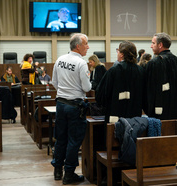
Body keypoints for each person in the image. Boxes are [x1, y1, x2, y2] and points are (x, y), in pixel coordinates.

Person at [51, 33, 91, 184]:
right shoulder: (81, 63)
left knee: (60, 138)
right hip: (75, 106)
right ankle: (69, 174)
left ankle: (57, 171)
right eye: (86, 44)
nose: (88, 47)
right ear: (78, 46)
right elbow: (87, 87)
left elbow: (55, 82)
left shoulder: (60, 60)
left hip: (60, 104)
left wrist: (65, 91)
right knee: (74, 141)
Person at [96, 40, 144, 124]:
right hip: (135, 117)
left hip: (115, 117)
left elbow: (101, 94)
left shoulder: (114, 70)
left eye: (118, 51)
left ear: (121, 54)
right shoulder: (141, 71)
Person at [145, 32, 177, 120]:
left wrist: (149, 110)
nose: (151, 46)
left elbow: (149, 89)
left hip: (160, 113)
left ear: (160, 45)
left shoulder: (154, 63)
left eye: (153, 43)